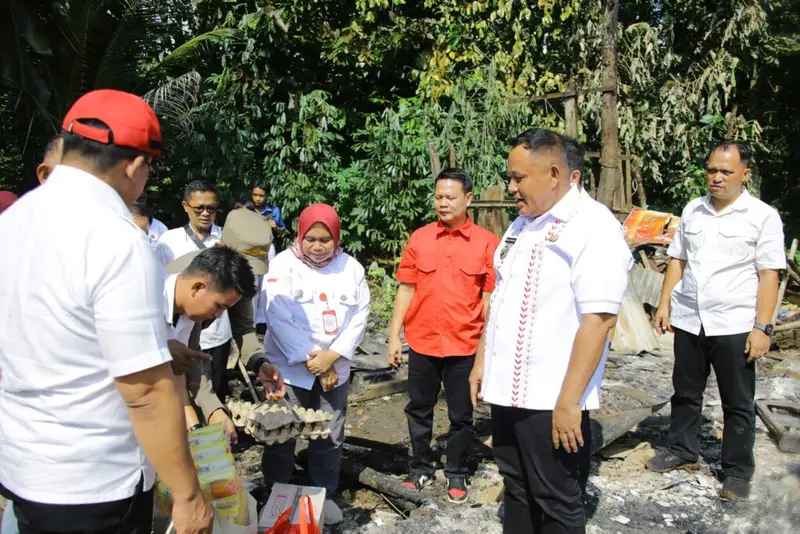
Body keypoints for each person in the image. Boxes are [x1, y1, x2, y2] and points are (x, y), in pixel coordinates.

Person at [0, 89, 213, 533]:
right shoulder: (116, 239)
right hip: (95, 482)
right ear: (136, 164)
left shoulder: (15, 219)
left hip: (24, 466)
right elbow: (145, 392)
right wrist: (189, 494)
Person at [470, 129, 632, 533]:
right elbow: (500, 300)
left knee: (557, 499)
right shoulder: (521, 227)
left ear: (555, 173)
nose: (511, 187)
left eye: (518, 178)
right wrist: (480, 364)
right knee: (517, 488)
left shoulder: (594, 228)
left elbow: (599, 321)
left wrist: (568, 402)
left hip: (551, 398)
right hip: (508, 391)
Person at [645, 141, 785, 501]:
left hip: (734, 323)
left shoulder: (762, 216)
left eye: (726, 171)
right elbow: (678, 259)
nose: (717, 178)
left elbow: (769, 274)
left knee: (737, 401)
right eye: (712, 170)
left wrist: (762, 326)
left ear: (745, 174)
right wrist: (665, 303)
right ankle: (682, 448)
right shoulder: (694, 210)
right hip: (691, 318)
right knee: (685, 391)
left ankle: (737, 471)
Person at [386, 168, 499, 503]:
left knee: (462, 415)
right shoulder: (420, 238)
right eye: (438, 197)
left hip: (465, 345)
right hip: (422, 341)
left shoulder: (486, 243)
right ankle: (419, 467)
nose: (443, 203)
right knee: (419, 407)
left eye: (451, 197)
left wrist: (485, 350)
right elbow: (406, 288)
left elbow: (489, 300)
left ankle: (457, 473)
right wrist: (394, 336)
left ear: (468, 199)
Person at [260, 204, 369, 526]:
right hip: (290, 368)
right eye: (311, 239)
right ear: (300, 235)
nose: (318, 246)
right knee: (281, 432)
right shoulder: (282, 265)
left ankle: (323, 494)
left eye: (325, 239)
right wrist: (315, 360)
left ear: (336, 238)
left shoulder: (352, 268)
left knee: (329, 435)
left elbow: (359, 317)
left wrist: (332, 357)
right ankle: (274, 493)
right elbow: (277, 317)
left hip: (335, 367)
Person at [156, 181, 234, 402]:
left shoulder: (226, 241)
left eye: (211, 208)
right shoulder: (168, 241)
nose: (206, 213)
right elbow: (161, 285)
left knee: (208, 392)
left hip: (217, 335)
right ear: (185, 206)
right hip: (173, 329)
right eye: (199, 208)